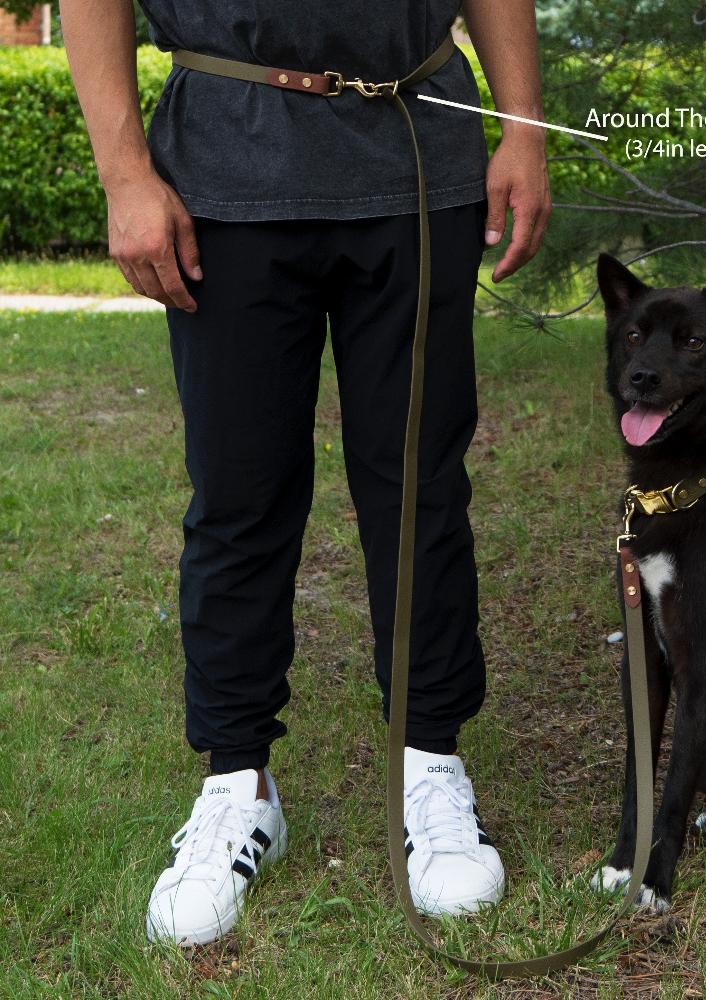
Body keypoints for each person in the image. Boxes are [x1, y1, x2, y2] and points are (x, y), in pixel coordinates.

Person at [61, 0, 551, 944]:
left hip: (418, 156)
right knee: (240, 495)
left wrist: (523, 130)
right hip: (224, 172)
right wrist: (125, 174)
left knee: (419, 488)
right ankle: (237, 785)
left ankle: (432, 767)